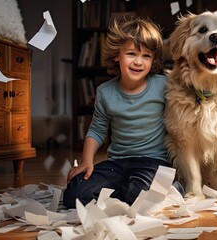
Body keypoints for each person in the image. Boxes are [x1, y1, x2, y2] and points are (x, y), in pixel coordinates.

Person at [63, 15, 183, 208]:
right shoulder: (105, 92)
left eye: (146, 56)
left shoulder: (164, 85)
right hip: (118, 163)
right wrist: (87, 160)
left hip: (154, 162)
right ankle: (136, 191)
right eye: (131, 54)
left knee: (138, 194)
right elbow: (97, 129)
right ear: (116, 54)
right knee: (73, 196)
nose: (138, 62)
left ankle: (172, 186)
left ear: (153, 60)